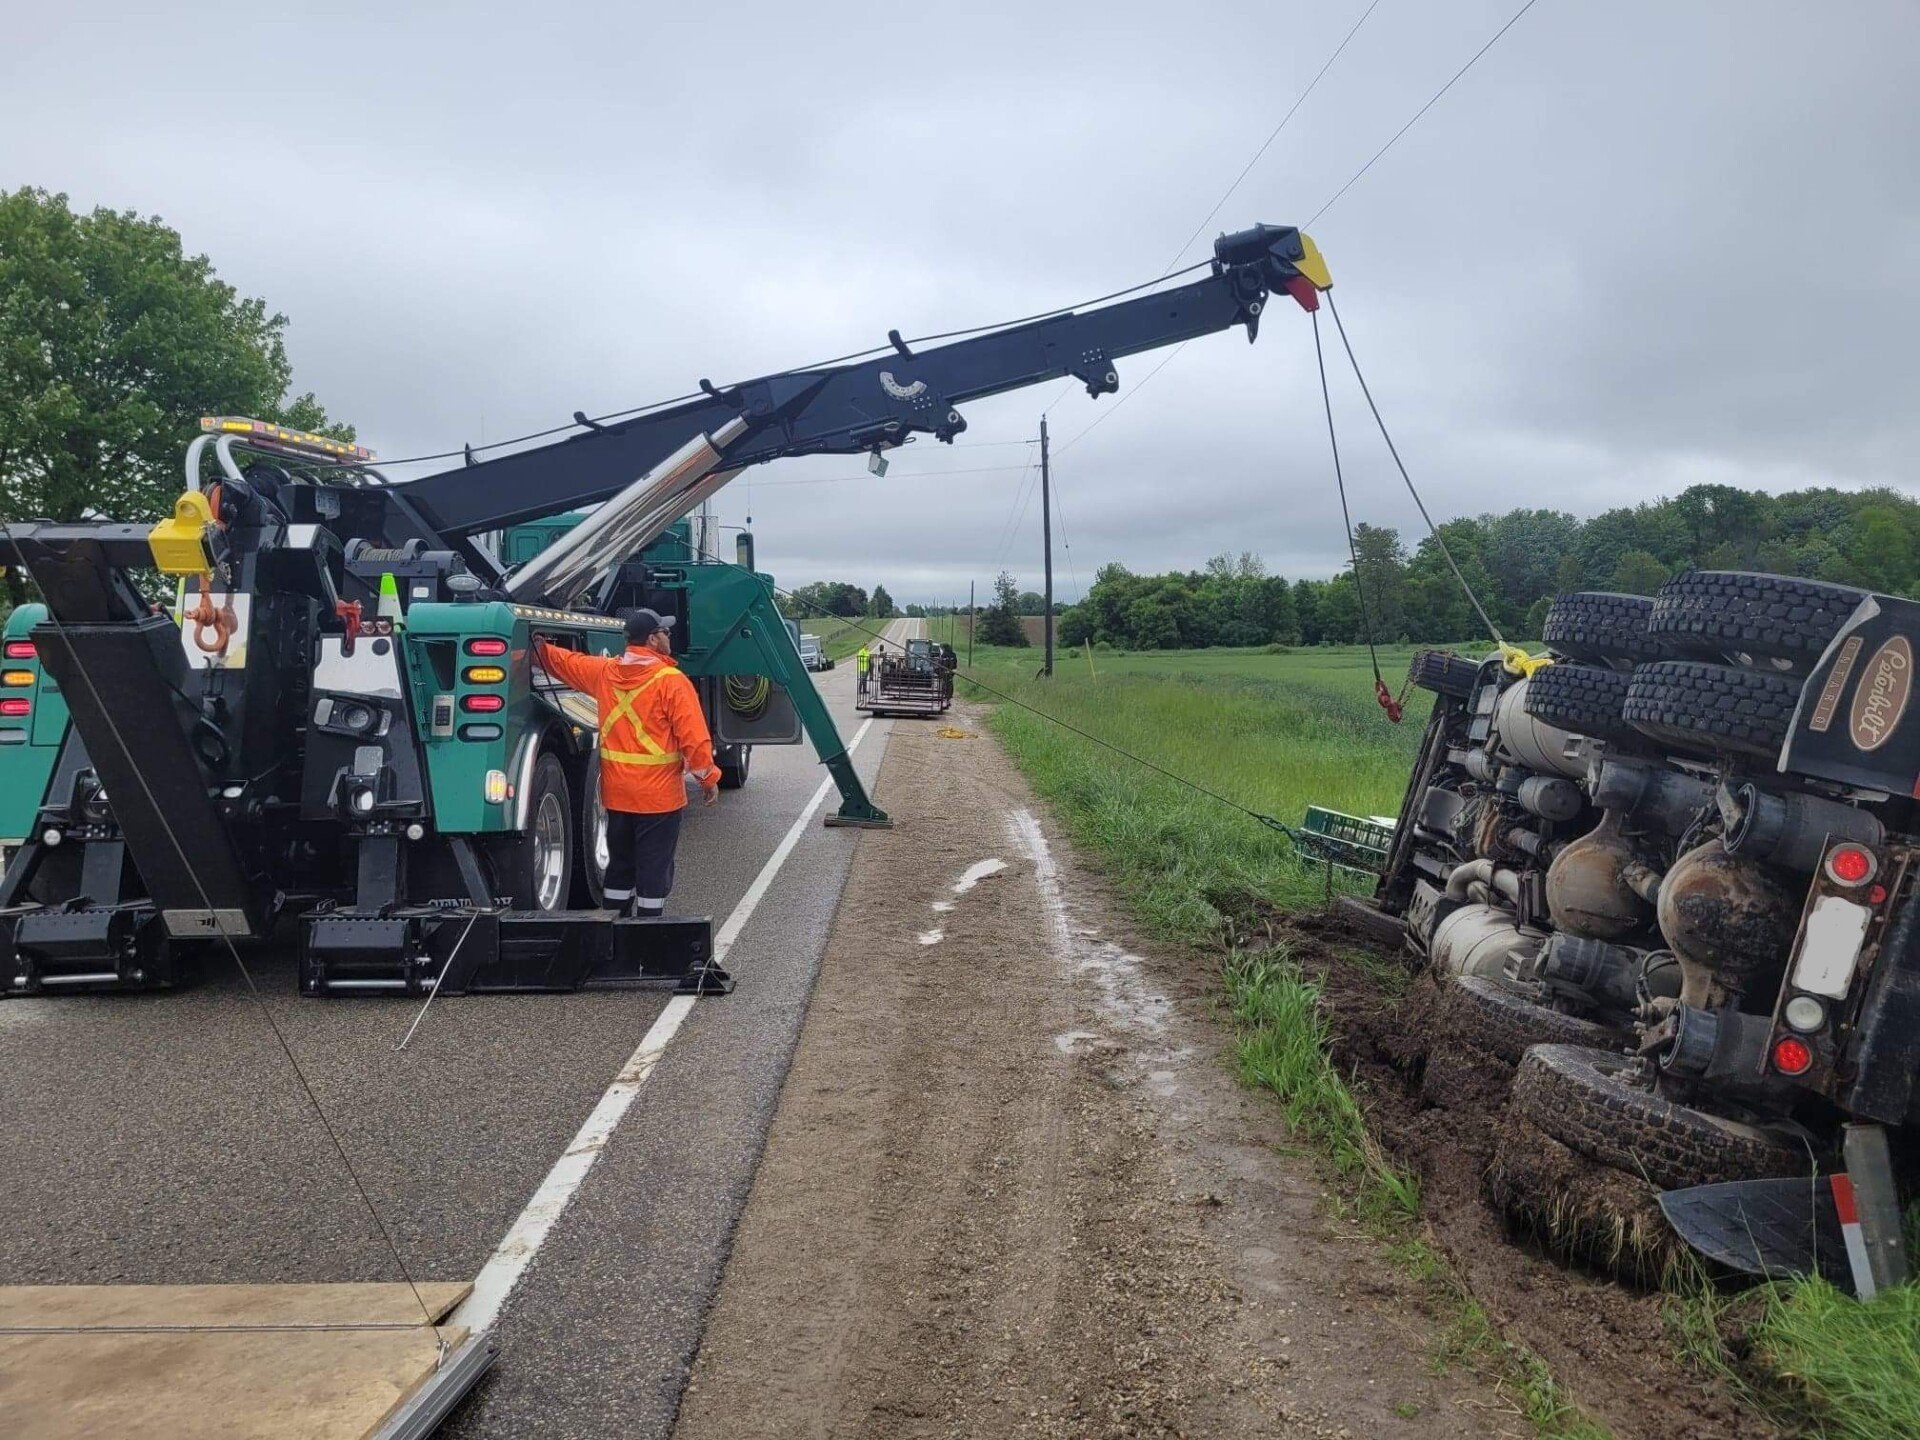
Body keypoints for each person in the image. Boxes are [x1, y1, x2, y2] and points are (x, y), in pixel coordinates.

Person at [534, 609, 719, 917]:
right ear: (652, 639)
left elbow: (565, 663)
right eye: (666, 632)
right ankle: (648, 935)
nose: (669, 637)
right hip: (659, 799)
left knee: (620, 867)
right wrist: (708, 779)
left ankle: (614, 929)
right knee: (654, 870)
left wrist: (540, 649)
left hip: (618, 796)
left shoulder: (606, 672)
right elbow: (695, 739)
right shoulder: (671, 681)